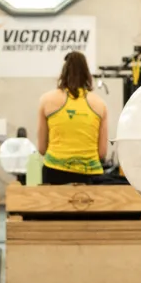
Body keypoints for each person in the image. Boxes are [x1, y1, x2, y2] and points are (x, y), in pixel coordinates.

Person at [37, 51, 110, 185]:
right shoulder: (100, 105)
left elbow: (42, 149)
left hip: (54, 173)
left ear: (63, 72)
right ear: (87, 73)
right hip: (90, 175)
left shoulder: (46, 100)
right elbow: (102, 152)